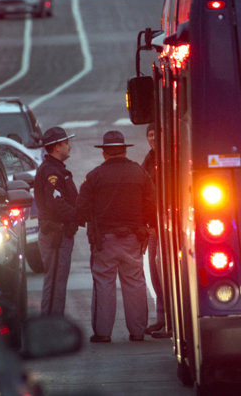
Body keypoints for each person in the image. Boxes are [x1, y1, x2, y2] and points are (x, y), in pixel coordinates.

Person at [76, 131, 156, 343]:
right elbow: (152, 204)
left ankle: (103, 333)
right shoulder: (139, 173)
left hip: (104, 241)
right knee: (135, 283)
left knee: (103, 283)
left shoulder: (94, 176)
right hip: (134, 238)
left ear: (104, 153)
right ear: (125, 150)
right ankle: (138, 332)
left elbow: (81, 208)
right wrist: (149, 226)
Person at [34, 127, 79, 316]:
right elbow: (56, 204)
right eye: (66, 143)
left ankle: (54, 322)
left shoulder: (56, 169)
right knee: (54, 283)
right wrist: (78, 216)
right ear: (57, 147)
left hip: (60, 235)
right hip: (56, 236)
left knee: (57, 282)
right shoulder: (51, 172)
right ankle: (50, 326)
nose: (70, 146)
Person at [141, 123, 168, 338]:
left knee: (164, 270)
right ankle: (162, 318)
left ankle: (170, 319)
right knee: (155, 272)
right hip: (152, 224)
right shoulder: (149, 159)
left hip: (165, 224)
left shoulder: (168, 158)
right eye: (149, 135)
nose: (152, 138)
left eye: (155, 134)